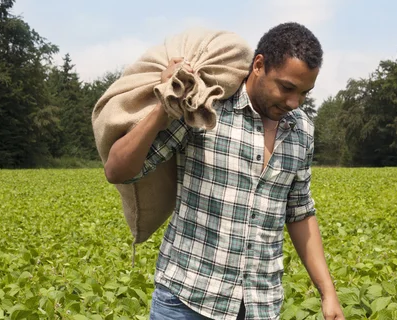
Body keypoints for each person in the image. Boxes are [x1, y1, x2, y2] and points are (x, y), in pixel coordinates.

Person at [104, 22, 345, 320]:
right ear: (258, 65)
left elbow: (299, 212)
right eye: (286, 88)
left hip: (259, 305)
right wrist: (165, 105)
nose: (294, 102)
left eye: (305, 93)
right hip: (187, 299)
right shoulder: (205, 106)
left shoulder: (301, 130)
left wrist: (328, 292)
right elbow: (118, 170)